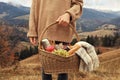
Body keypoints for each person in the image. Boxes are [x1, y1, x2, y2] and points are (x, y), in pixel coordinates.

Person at [27, 0, 83, 80]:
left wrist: (69, 14)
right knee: (46, 68)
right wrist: (32, 30)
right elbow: (34, 6)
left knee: (63, 69)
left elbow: (78, 4)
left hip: (63, 30)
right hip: (44, 29)